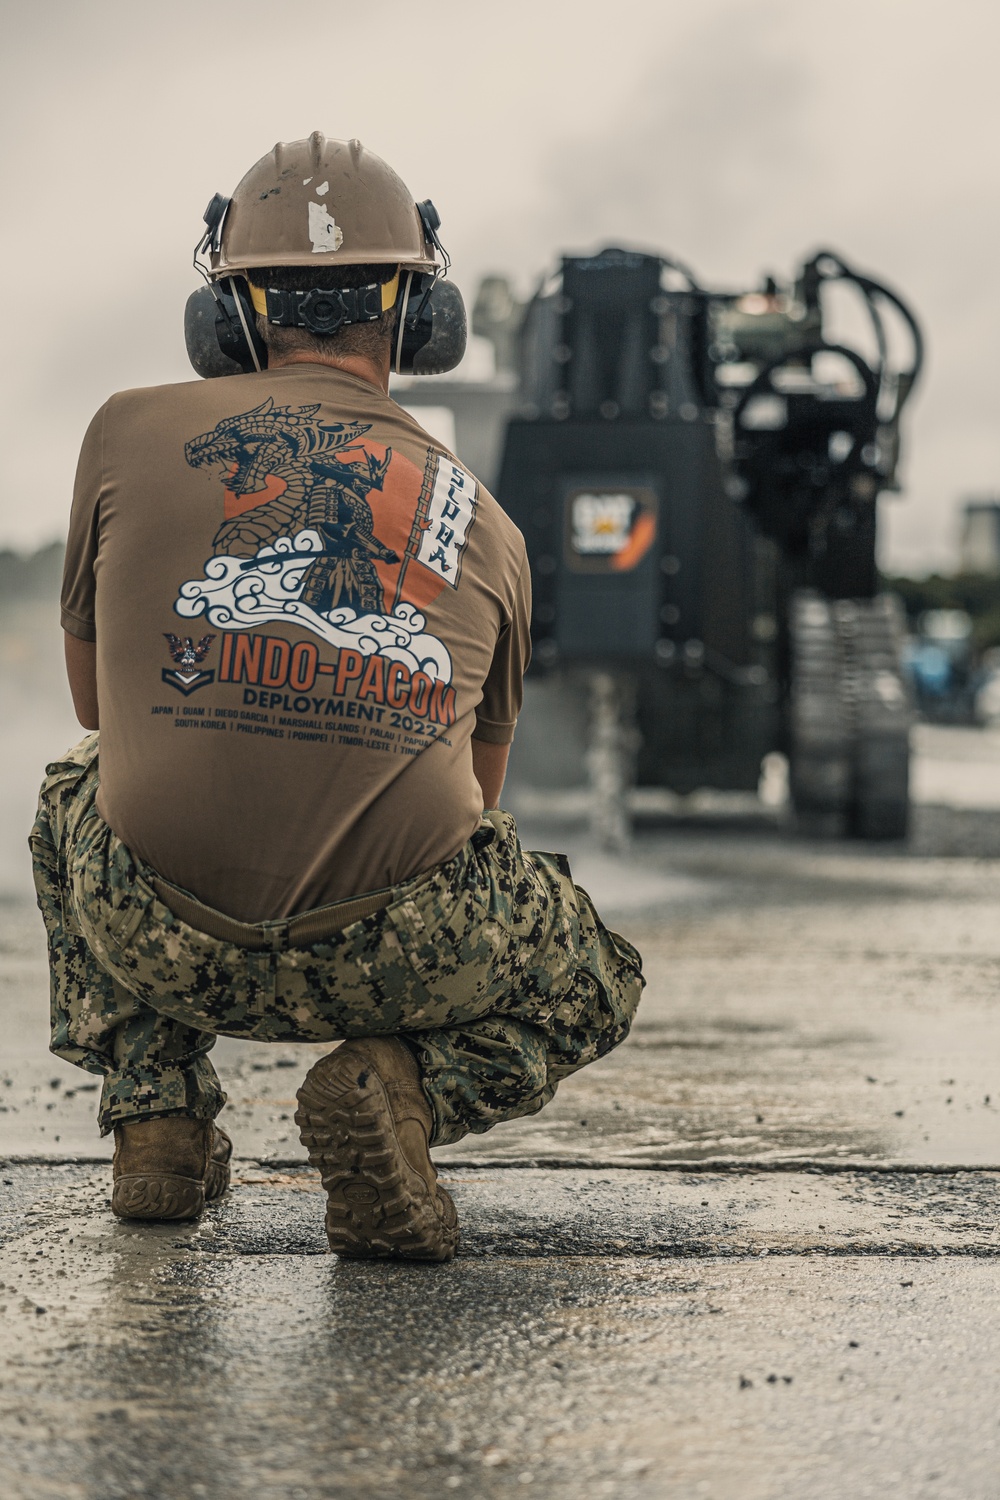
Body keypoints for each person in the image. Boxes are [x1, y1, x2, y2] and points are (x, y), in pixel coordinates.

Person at [30, 133, 644, 1263]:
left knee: (73, 787)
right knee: (598, 977)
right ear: (419, 316)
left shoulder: (122, 429)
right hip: (398, 953)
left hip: (159, 935)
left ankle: (156, 1114)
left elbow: (96, 708)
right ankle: (399, 1088)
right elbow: (471, 800)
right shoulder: (490, 525)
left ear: (231, 315)